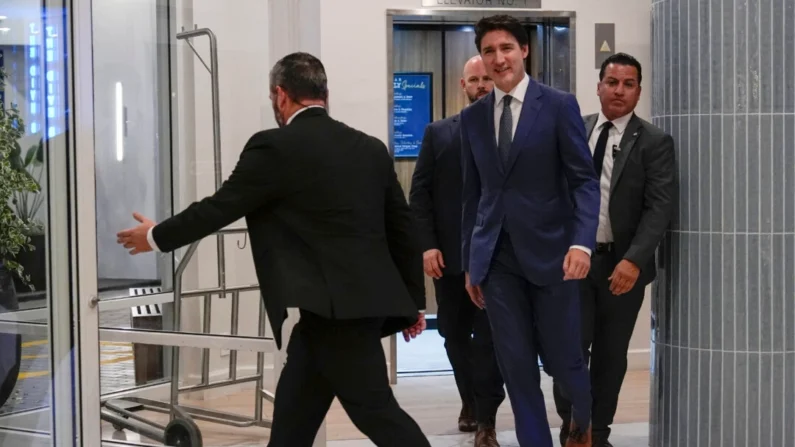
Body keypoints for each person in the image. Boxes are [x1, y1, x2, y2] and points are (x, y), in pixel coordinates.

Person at [116, 52, 432, 447]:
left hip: (336, 317)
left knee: (378, 414)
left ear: (280, 96)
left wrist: (155, 236)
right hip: (339, 314)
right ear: (325, 93)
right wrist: (414, 303)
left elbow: (219, 207)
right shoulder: (370, 148)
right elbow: (402, 228)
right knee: (293, 420)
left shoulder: (273, 147)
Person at [460, 15, 601, 447]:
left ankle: (583, 417)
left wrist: (582, 242)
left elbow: (583, 180)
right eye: (489, 51)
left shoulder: (558, 105)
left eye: (506, 48)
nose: (498, 59)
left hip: (554, 255)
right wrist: (471, 263)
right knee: (516, 367)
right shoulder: (473, 119)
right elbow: (474, 195)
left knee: (566, 362)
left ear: (524, 50)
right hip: (497, 260)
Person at [552, 53, 676, 447]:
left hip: (622, 268)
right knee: (567, 349)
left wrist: (634, 260)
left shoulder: (654, 142)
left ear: (639, 90)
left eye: (628, 84)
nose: (619, 90)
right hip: (573, 262)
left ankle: (596, 433)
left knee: (609, 356)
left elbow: (660, 207)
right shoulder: (577, 128)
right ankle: (573, 423)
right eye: (612, 82)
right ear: (599, 85)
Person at [409, 55, 505, 447]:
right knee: (451, 334)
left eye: (487, 79)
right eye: (474, 79)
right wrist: (428, 245)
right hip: (449, 259)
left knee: (489, 341)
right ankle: (469, 399)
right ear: (462, 86)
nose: (481, 85)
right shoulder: (439, 133)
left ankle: (486, 420)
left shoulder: (509, 132)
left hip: (497, 260)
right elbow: (420, 195)